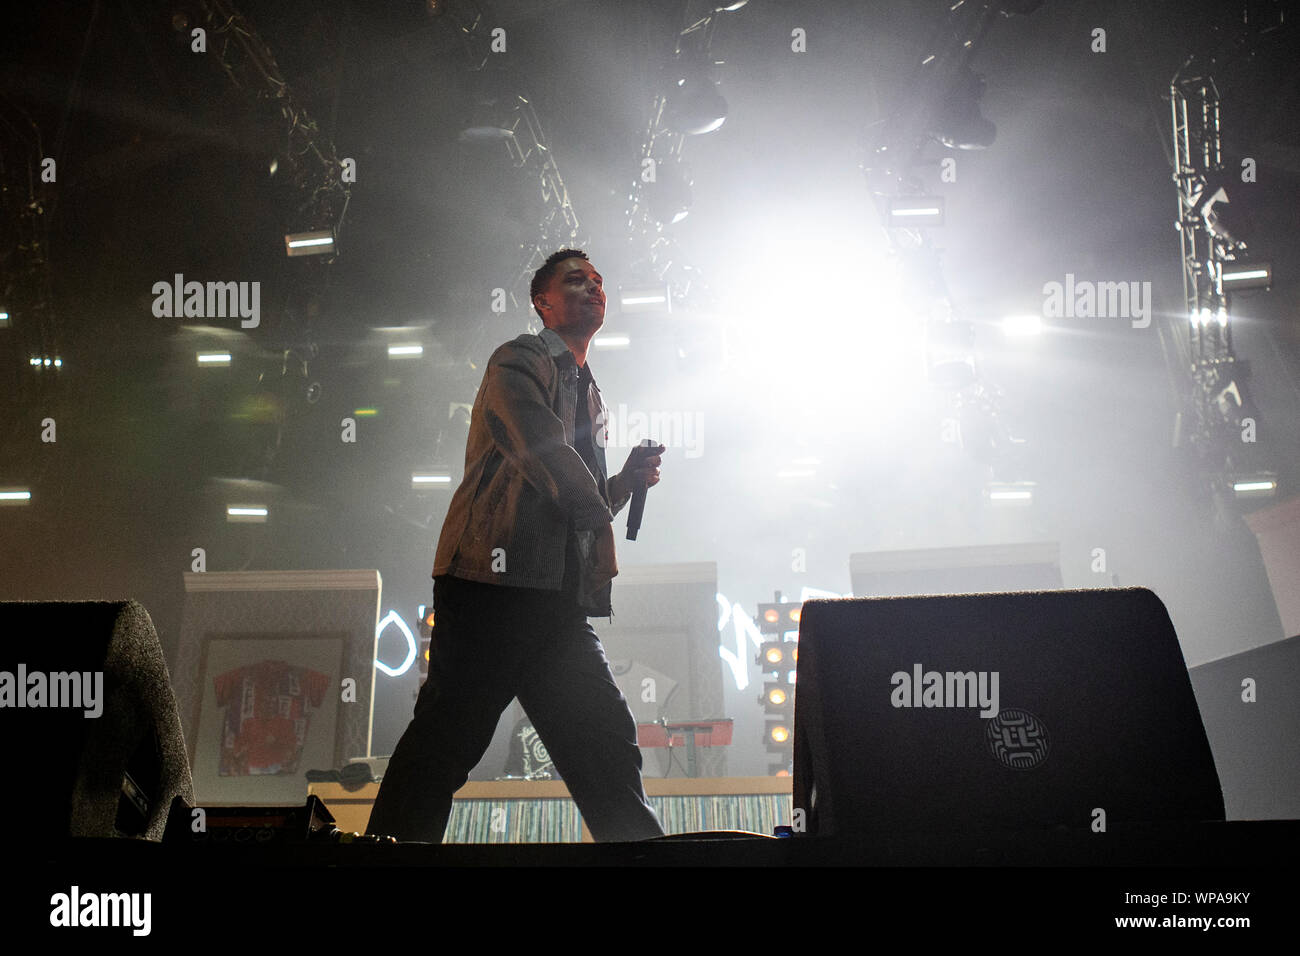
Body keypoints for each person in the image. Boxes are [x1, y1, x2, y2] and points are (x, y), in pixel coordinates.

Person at [365, 249, 667, 843]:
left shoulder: (590, 394)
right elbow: (544, 454)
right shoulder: (520, 358)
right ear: (543, 303)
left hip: (555, 602)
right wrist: (605, 503)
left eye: (599, 282)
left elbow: (574, 501)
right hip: (491, 588)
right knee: (446, 743)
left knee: (604, 745)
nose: (592, 289)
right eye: (575, 281)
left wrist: (626, 483)